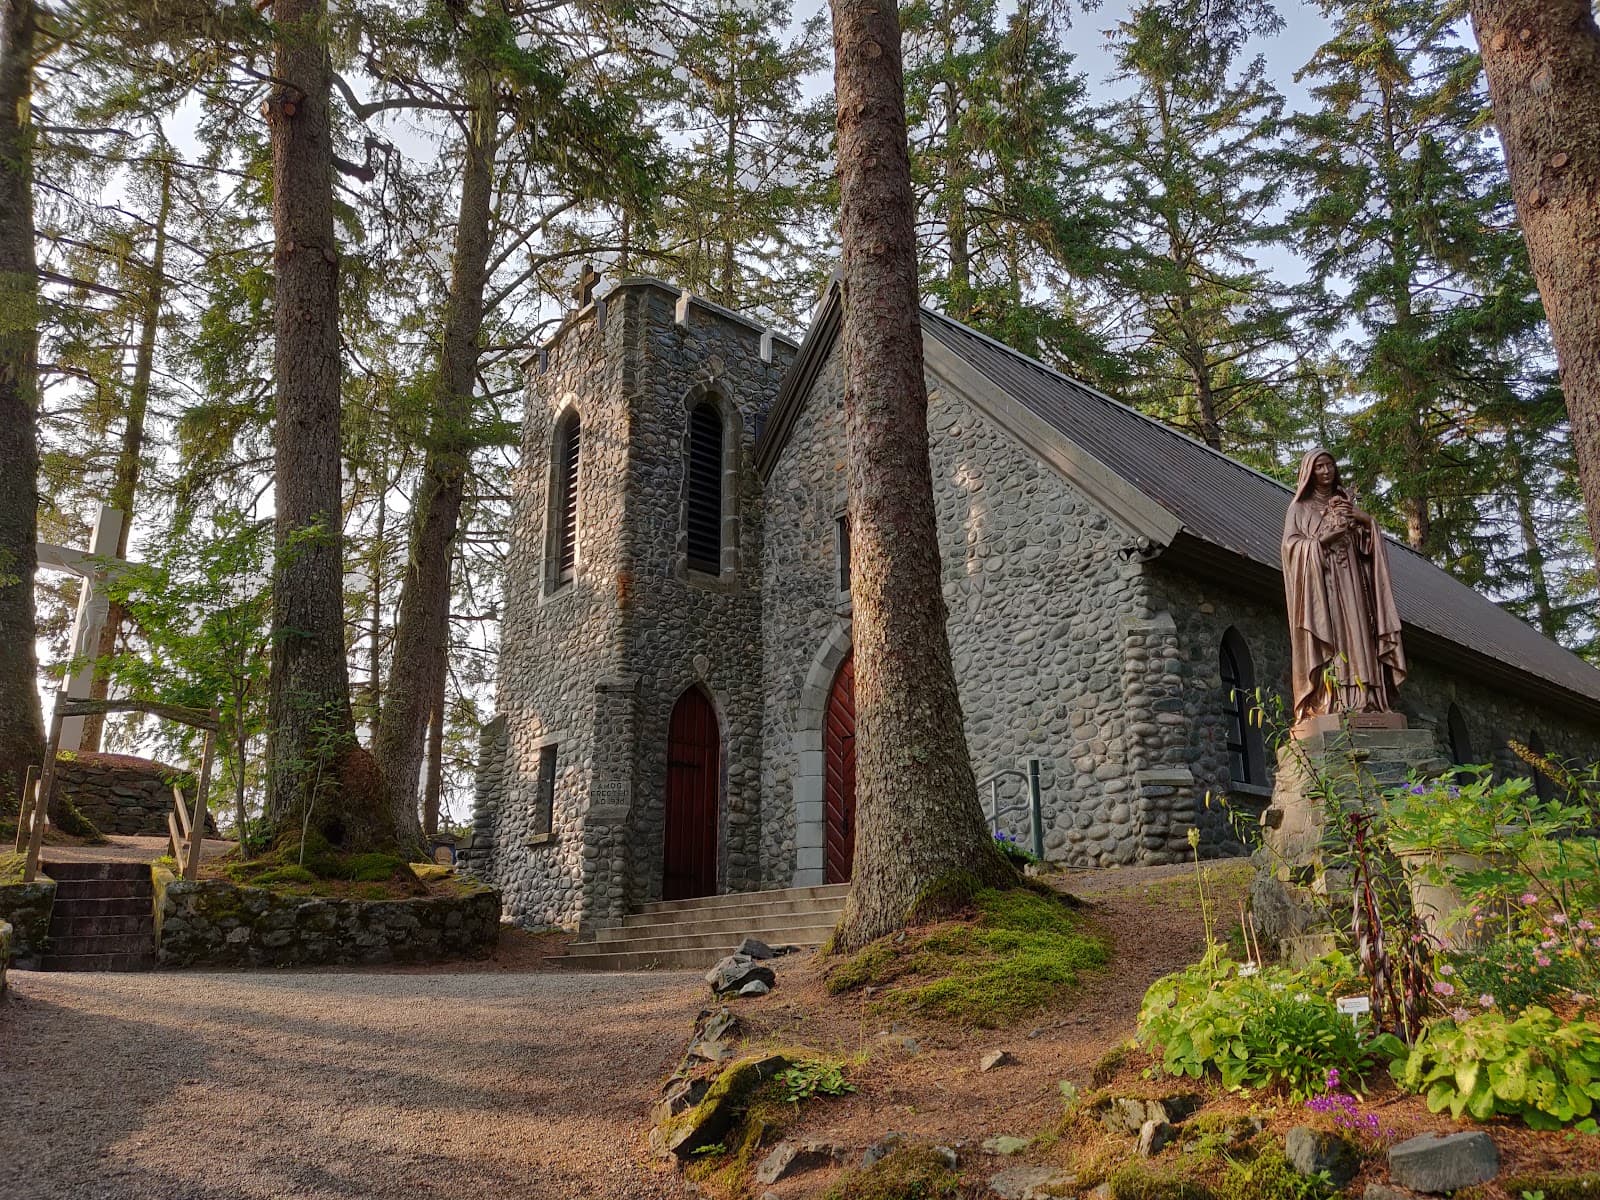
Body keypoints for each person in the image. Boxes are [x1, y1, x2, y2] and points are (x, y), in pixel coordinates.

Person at [1281, 448, 1407, 723]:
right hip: (1323, 589)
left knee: (1360, 633)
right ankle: (1334, 697)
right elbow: (1291, 548)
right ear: (1309, 472)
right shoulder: (1299, 508)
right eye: (1319, 467)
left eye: (1329, 466)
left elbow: (1368, 549)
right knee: (1336, 637)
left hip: (1354, 583)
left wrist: (1364, 520)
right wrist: (1323, 541)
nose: (1326, 472)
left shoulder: (1345, 502)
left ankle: (1368, 697)